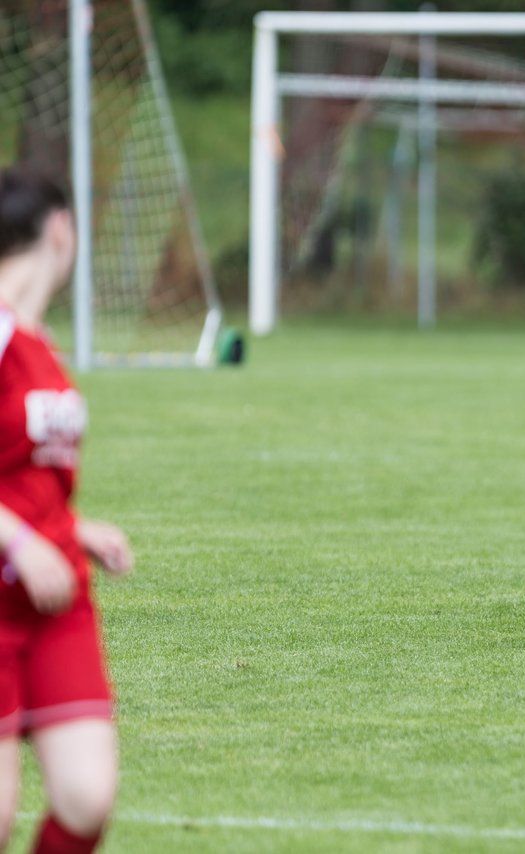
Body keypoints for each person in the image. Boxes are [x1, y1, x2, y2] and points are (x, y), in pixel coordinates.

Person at [0, 166, 134, 853]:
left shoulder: (38, 339)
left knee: (86, 798)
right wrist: (19, 544)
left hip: (56, 607)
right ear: (59, 229)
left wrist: (72, 531)